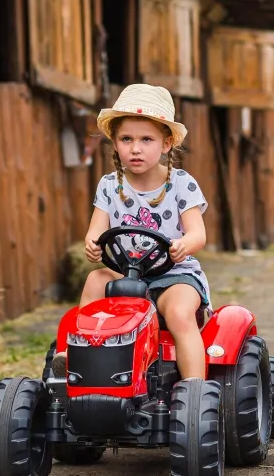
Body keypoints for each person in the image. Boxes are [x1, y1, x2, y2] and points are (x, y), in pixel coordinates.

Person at [79, 83, 211, 380]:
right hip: (127, 273)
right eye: (126, 138)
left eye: (146, 139)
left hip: (174, 275)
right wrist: (92, 245)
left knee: (178, 314)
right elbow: (96, 232)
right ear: (115, 142)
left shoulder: (181, 183)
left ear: (166, 144)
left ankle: (195, 390)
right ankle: (75, 353)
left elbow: (198, 235)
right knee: (95, 279)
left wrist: (183, 244)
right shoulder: (110, 185)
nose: (135, 148)